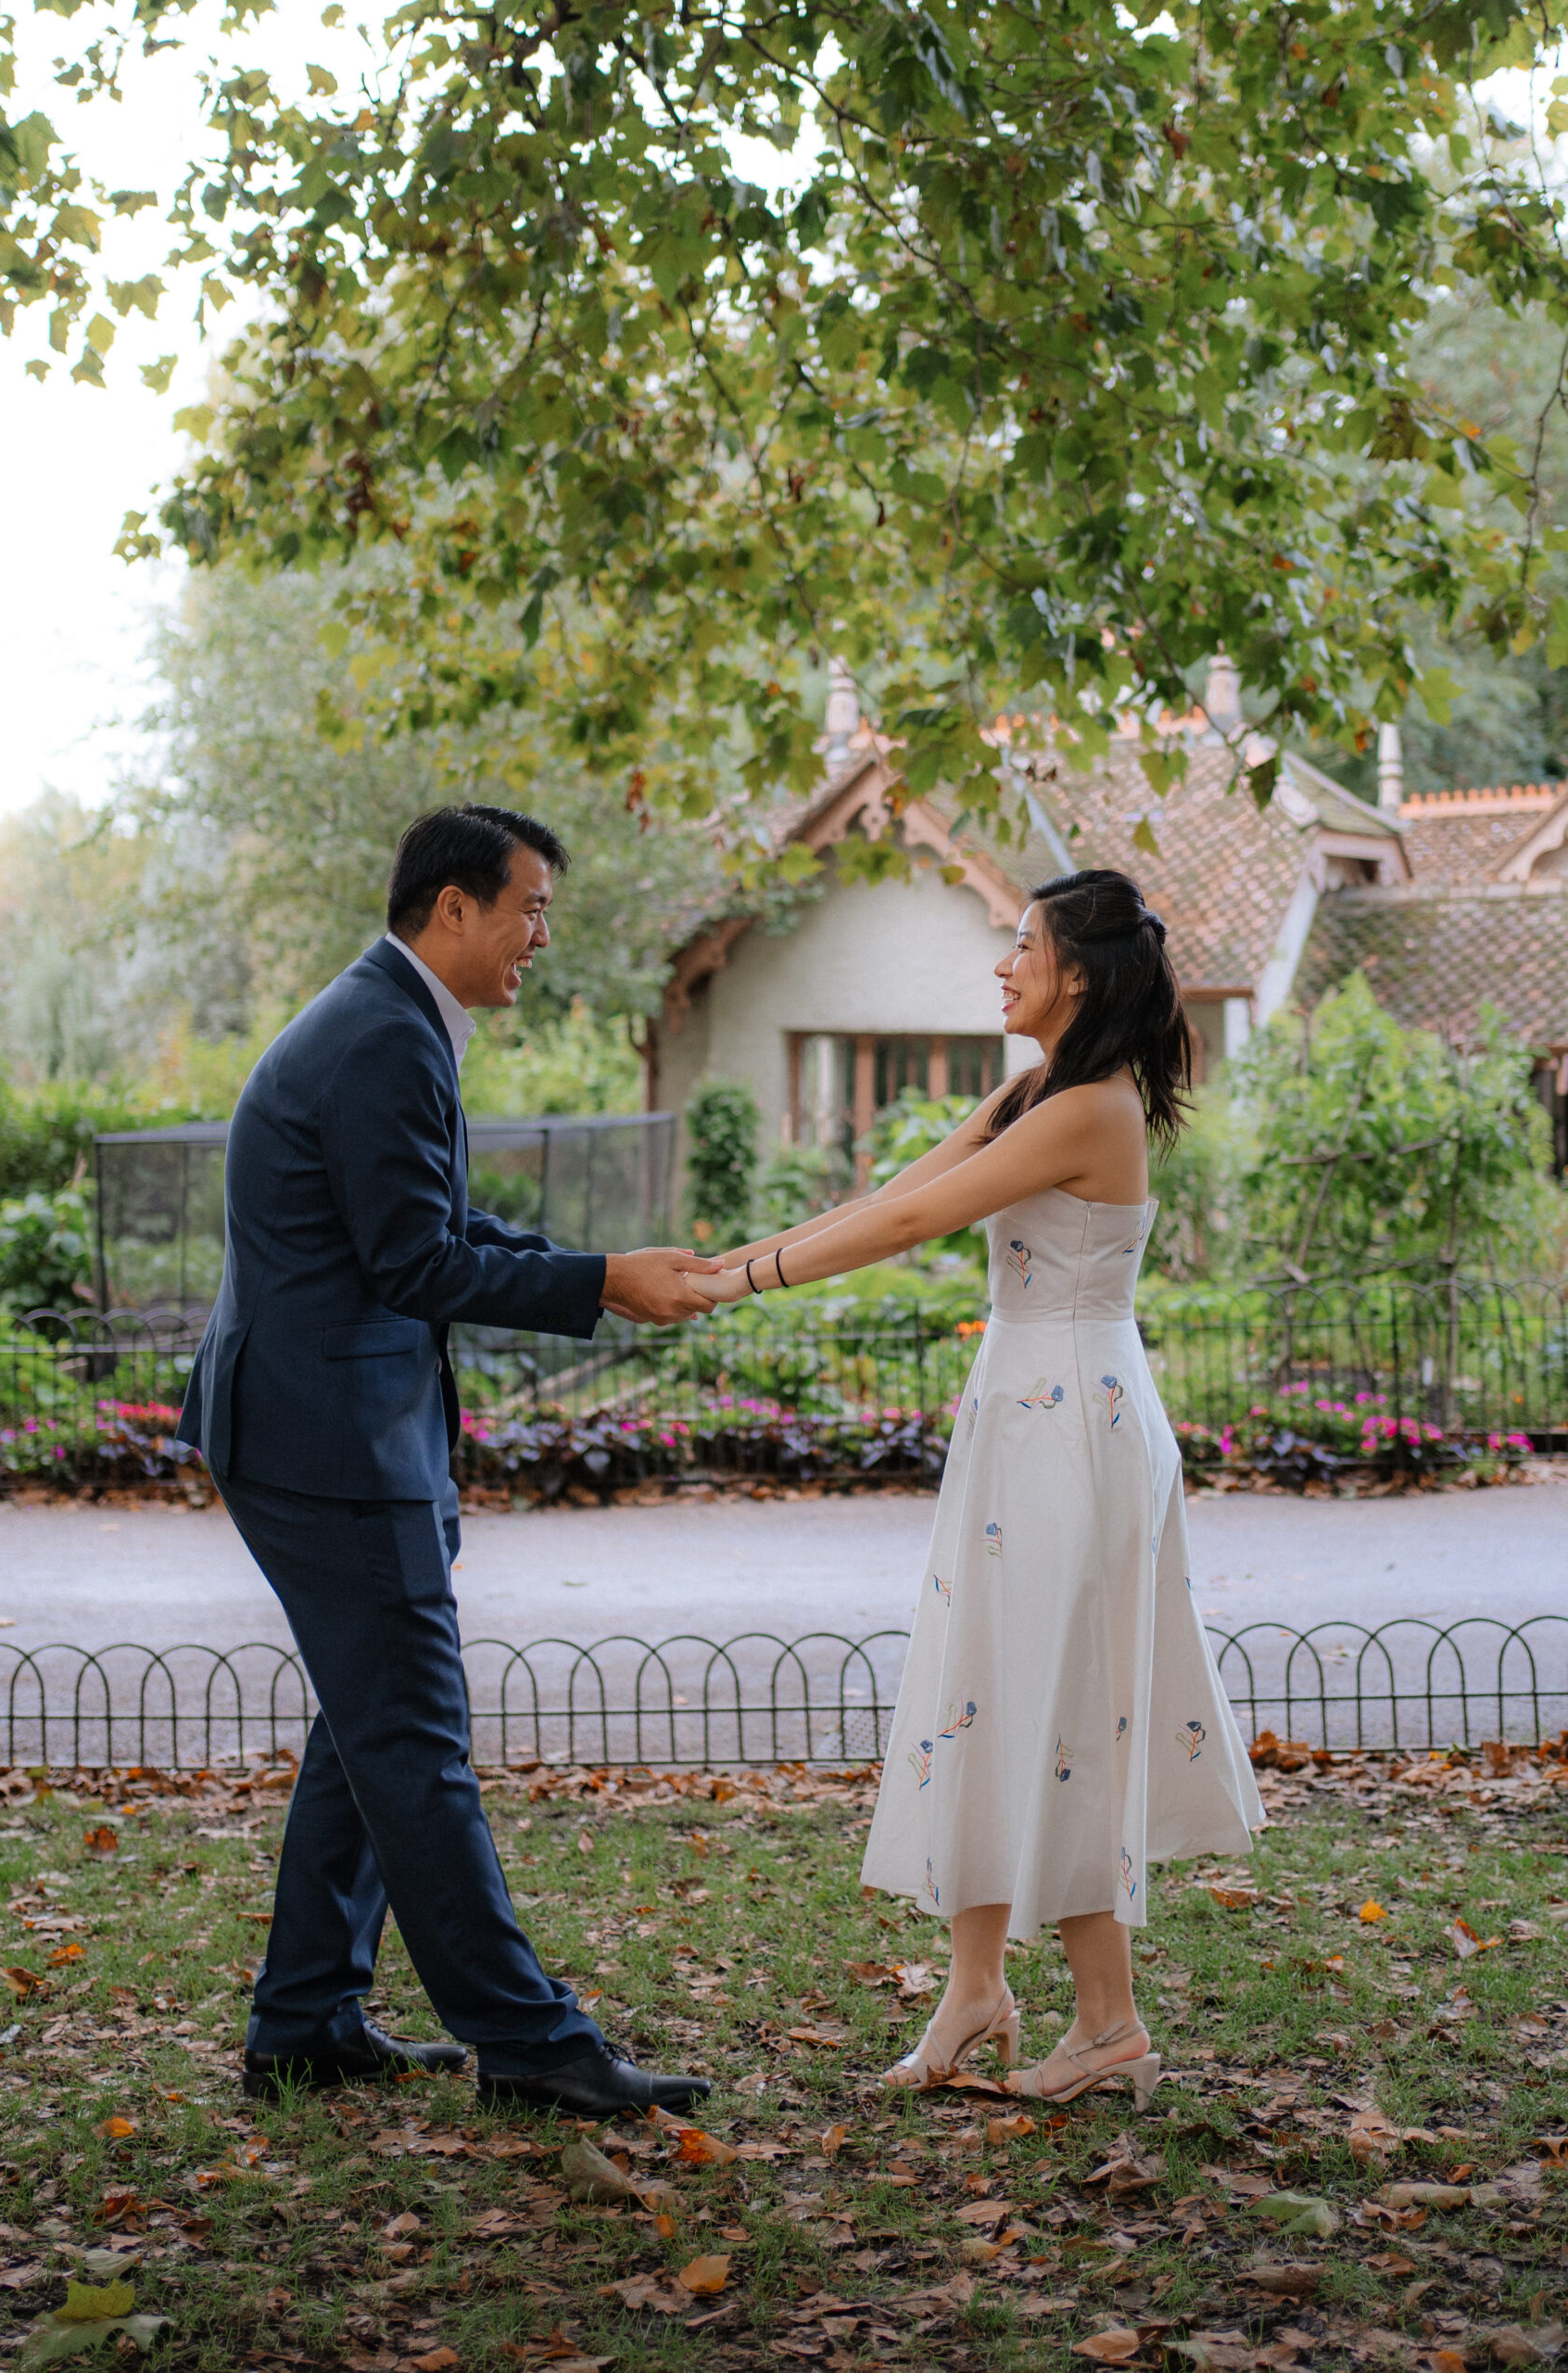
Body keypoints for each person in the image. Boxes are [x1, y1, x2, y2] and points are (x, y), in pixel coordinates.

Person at [177, 804, 723, 2115]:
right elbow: (414, 1264)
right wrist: (601, 1283)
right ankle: (529, 2043)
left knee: (366, 1737)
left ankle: (306, 2021)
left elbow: (434, 1226)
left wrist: (603, 1274)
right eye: (529, 905)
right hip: (325, 1447)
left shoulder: (392, 1019)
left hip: (333, 1430)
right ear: (453, 907)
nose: (542, 934)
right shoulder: (382, 1036)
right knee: (413, 1742)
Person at [707, 869, 1264, 2105]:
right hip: (1027, 1414)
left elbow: (912, 1230)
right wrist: (720, 1265)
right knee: (986, 1688)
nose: (1001, 966)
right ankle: (976, 1992)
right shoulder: (1041, 1090)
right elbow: (900, 1197)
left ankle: (1110, 2025)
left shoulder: (1089, 1110)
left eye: (1020, 946)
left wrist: (734, 1289)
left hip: (1072, 1425)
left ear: (1075, 972)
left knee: (1054, 1707)